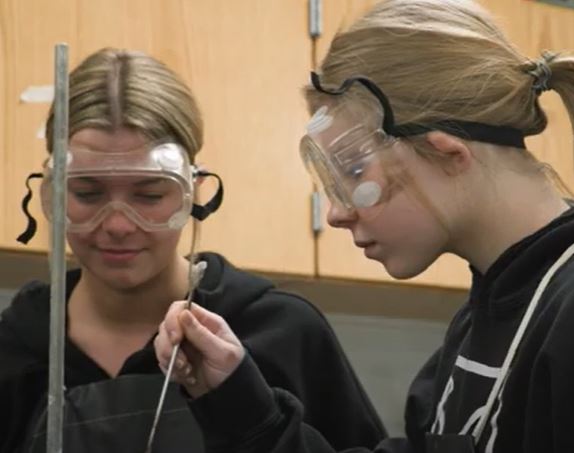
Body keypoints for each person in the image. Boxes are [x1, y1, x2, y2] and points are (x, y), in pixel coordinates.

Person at [155, 0, 574, 452]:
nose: (336, 212)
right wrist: (238, 400)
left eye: (354, 174)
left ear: (450, 154)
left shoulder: (569, 313)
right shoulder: (483, 319)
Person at [0, 47, 386, 453]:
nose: (117, 224)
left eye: (149, 195)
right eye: (87, 192)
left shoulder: (280, 333)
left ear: (193, 193)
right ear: (54, 193)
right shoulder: (14, 351)